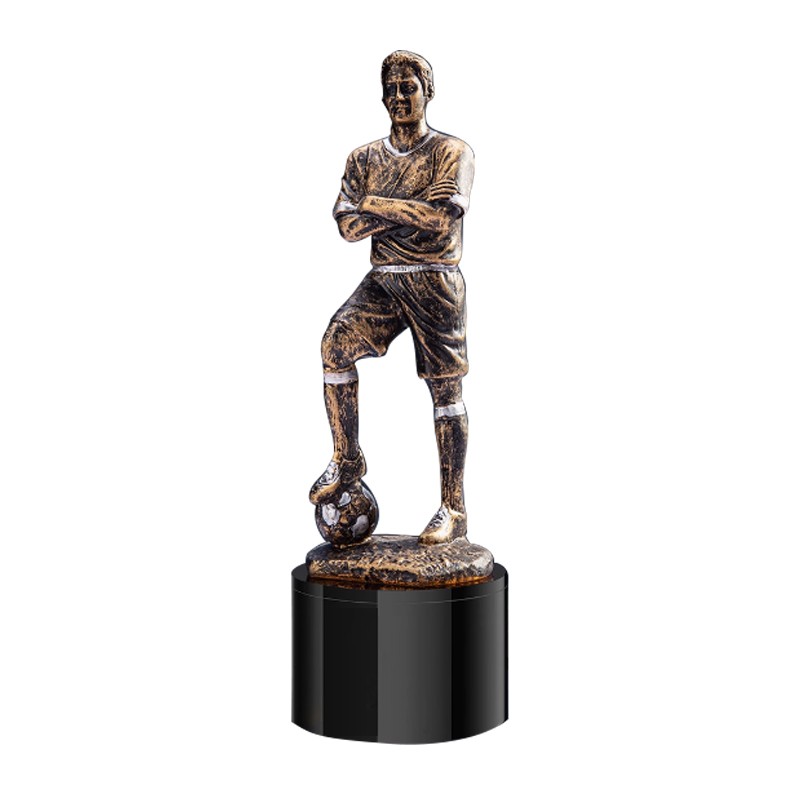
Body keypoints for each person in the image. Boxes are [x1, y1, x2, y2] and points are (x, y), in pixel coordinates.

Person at [310, 50, 475, 545]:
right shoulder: (363, 158)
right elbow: (347, 227)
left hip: (435, 280)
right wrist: (410, 212)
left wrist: (375, 205)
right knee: (335, 344)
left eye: (410, 87)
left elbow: (440, 221)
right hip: (384, 278)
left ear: (428, 92)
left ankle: (453, 507)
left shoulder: (451, 152)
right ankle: (347, 457)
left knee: (445, 390)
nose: (400, 96)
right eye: (392, 88)